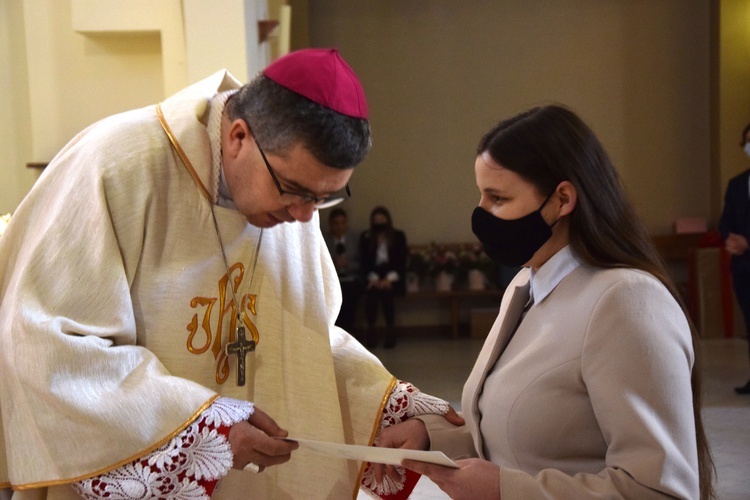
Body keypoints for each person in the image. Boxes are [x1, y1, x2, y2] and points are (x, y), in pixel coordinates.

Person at [0, 48, 460, 499]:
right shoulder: (116, 166)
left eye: (324, 198)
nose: (304, 216)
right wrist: (202, 428)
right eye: (294, 191)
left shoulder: (288, 205)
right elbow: (44, 344)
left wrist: (385, 406)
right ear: (239, 137)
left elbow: (304, 343)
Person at [375, 105, 715, 499]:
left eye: (497, 198)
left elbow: (659, 490)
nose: (481, 213)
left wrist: (507, 490)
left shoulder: (626, 302)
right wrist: (430, 437)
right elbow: (521, 429)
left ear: (562, 199)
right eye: (480, 195)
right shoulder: (526, 284)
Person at [719, 122, 750, 395]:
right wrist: (730, 239)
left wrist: (748, 242)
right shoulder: (737, 184)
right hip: (742, 268)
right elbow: (725, 221)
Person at [359, 206, 408, 349]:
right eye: (376, 220)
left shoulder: (398, 236)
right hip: (373, 275)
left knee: (387, 294)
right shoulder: (366, 237)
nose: (379, 223)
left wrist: (388, 279)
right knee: (372, 295)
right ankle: (371, 331)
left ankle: (390, 331)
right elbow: (365, 262)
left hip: (393, 275)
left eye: (382, 219)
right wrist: (373, 279)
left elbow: (400, 261)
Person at [324, 207, 364, 334]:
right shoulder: (324, 240)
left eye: (342, 223)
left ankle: (349, 331)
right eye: (335, 223)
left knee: (350, 296)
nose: (339, 227)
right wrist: (333, 265)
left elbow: (361, 263)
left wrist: (348, 264)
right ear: (331, 224)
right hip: (332, 279)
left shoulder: (355, 239)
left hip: (351, 279)